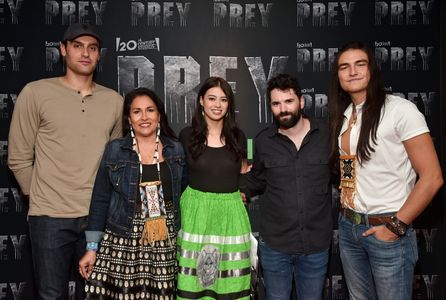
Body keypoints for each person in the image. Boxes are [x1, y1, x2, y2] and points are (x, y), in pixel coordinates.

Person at [7, 23, 123, 299]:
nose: (85, 53)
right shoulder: (35, 93)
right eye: (77, 46)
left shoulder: (114, 101)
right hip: (49, 218)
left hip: (97, 218)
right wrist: (39, 197)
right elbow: (19, 156)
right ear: (63, 50)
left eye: (92, 48)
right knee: (50, 295)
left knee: (98, 294)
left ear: (99, 55)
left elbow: (115, 159)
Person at [328, 41, 443, 300]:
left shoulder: (400, 110)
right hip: (349, 228)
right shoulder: (346, 115)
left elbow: (433, 177)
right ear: (338, 76)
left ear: (372, 70)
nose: (352, 71)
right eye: (344, 67)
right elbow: (350, 167)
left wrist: (394, 227)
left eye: (360, 64)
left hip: (387, 228)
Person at [78, 87, 186, 299]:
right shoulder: (115, 149)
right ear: (129, 118)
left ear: (159, 115)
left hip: (164, 239)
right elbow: (100, 199)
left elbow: (186, 192)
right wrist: (92, 247)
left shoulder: (176, 149)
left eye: (150, 110)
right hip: (123, 238)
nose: (144, 117)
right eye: (137, 112)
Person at [240, 74, 332, 300]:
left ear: (301, 102)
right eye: (276, 103)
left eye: (288, 101)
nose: (283, 109)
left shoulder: (327, 135)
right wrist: (234, 189)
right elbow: (257, 179)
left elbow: (345, 175)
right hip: (275, 247)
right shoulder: (263, 141)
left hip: (315, 246)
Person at [176, 77, 252, 299]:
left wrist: (242, 193)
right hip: (195, 214)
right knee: (194, 285)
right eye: (211, 98)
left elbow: (244, 174)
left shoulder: (238, 136)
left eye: (223, 99)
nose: (217, 105)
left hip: (230, 215)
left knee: (231, 284)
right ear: (201, 101)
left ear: (229, 105)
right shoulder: (186, 135)